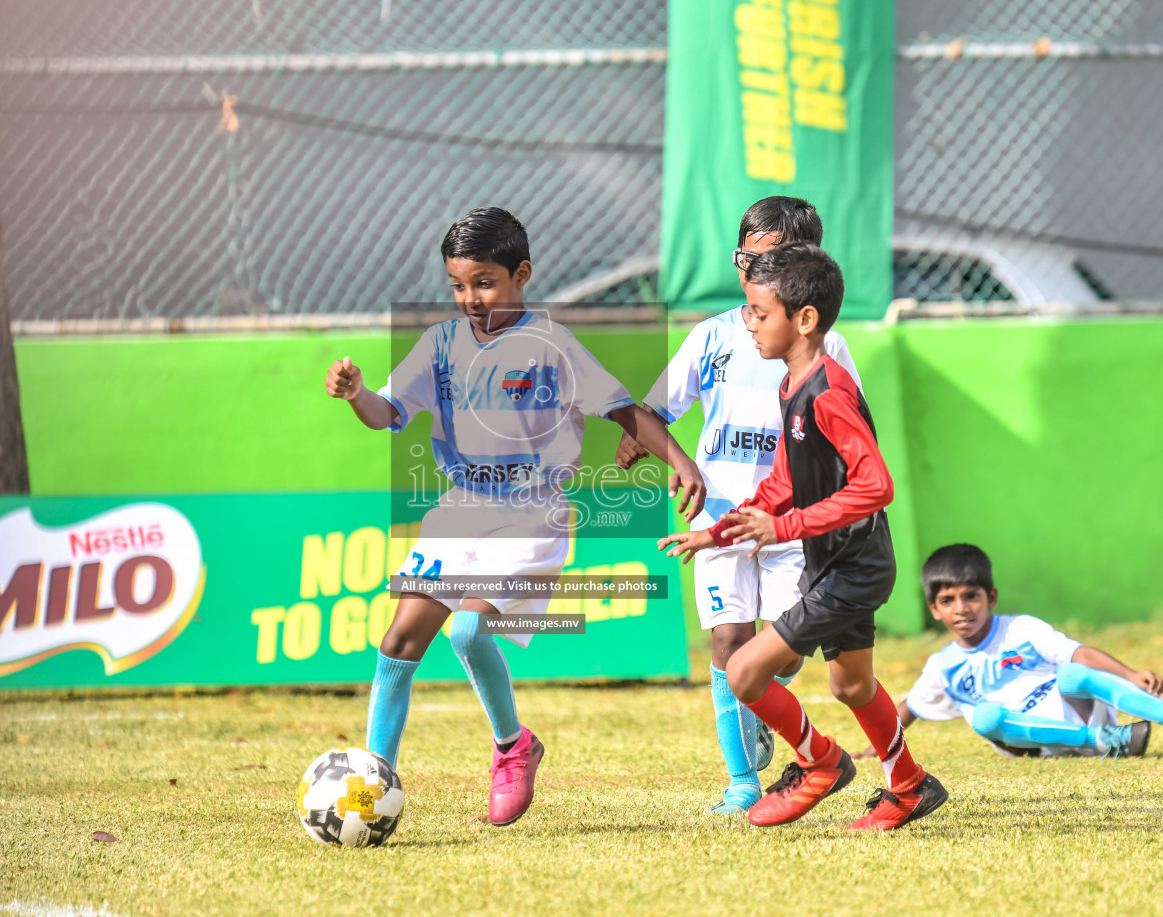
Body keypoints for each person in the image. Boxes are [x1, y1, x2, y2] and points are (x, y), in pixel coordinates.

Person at [325, 207, 706, 826]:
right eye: (457, 284)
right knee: (397, 643)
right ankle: (372, 785)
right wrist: (356, 396)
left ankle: (513, 747)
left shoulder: (551, 346)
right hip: (458, 512)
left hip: (533, 517)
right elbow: (385, 413)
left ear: (520, 274)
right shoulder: (439, 345)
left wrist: (680, 461)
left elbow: (622, 410)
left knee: (469, 632)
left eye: (484, 282)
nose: (469, 297)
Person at [660, 244, 948, 832]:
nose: (749, 324)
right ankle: (911, 786)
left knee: (744, 671)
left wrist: (783, 527)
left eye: (760, 314)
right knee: (852, 684)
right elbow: (786, 480)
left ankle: (819, 764)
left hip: (851, 567)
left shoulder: (828, 391)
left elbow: (876, 485)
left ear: (805, 319)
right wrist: (719, 533)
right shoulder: (793, 383)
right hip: (836, 561)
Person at [617, 196, 862, 814]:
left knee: (786, 646)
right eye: (742, 258)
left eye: (768, 259)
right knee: (729, 639)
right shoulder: (715, 335)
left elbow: (849, 434)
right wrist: (667, 454)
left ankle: (758, 705)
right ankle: (742, 783)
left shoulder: (827, 349)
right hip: (720, 520)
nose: (750, 270)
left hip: (789, 523)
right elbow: (652, 413)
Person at [895, 543, 1163, 757]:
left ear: (991, 598)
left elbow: (1078, 654)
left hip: (1079, 711)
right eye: (947, 601)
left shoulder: (1020, 628)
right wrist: (882, 749)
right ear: (934, 609)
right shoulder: (943, 666)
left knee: (1070, 672)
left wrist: (1130, 674)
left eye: (971, 596)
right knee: (985, 717)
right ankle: (1101, 741)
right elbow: (909, 705)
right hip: (1032, 743)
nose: (961, 609)